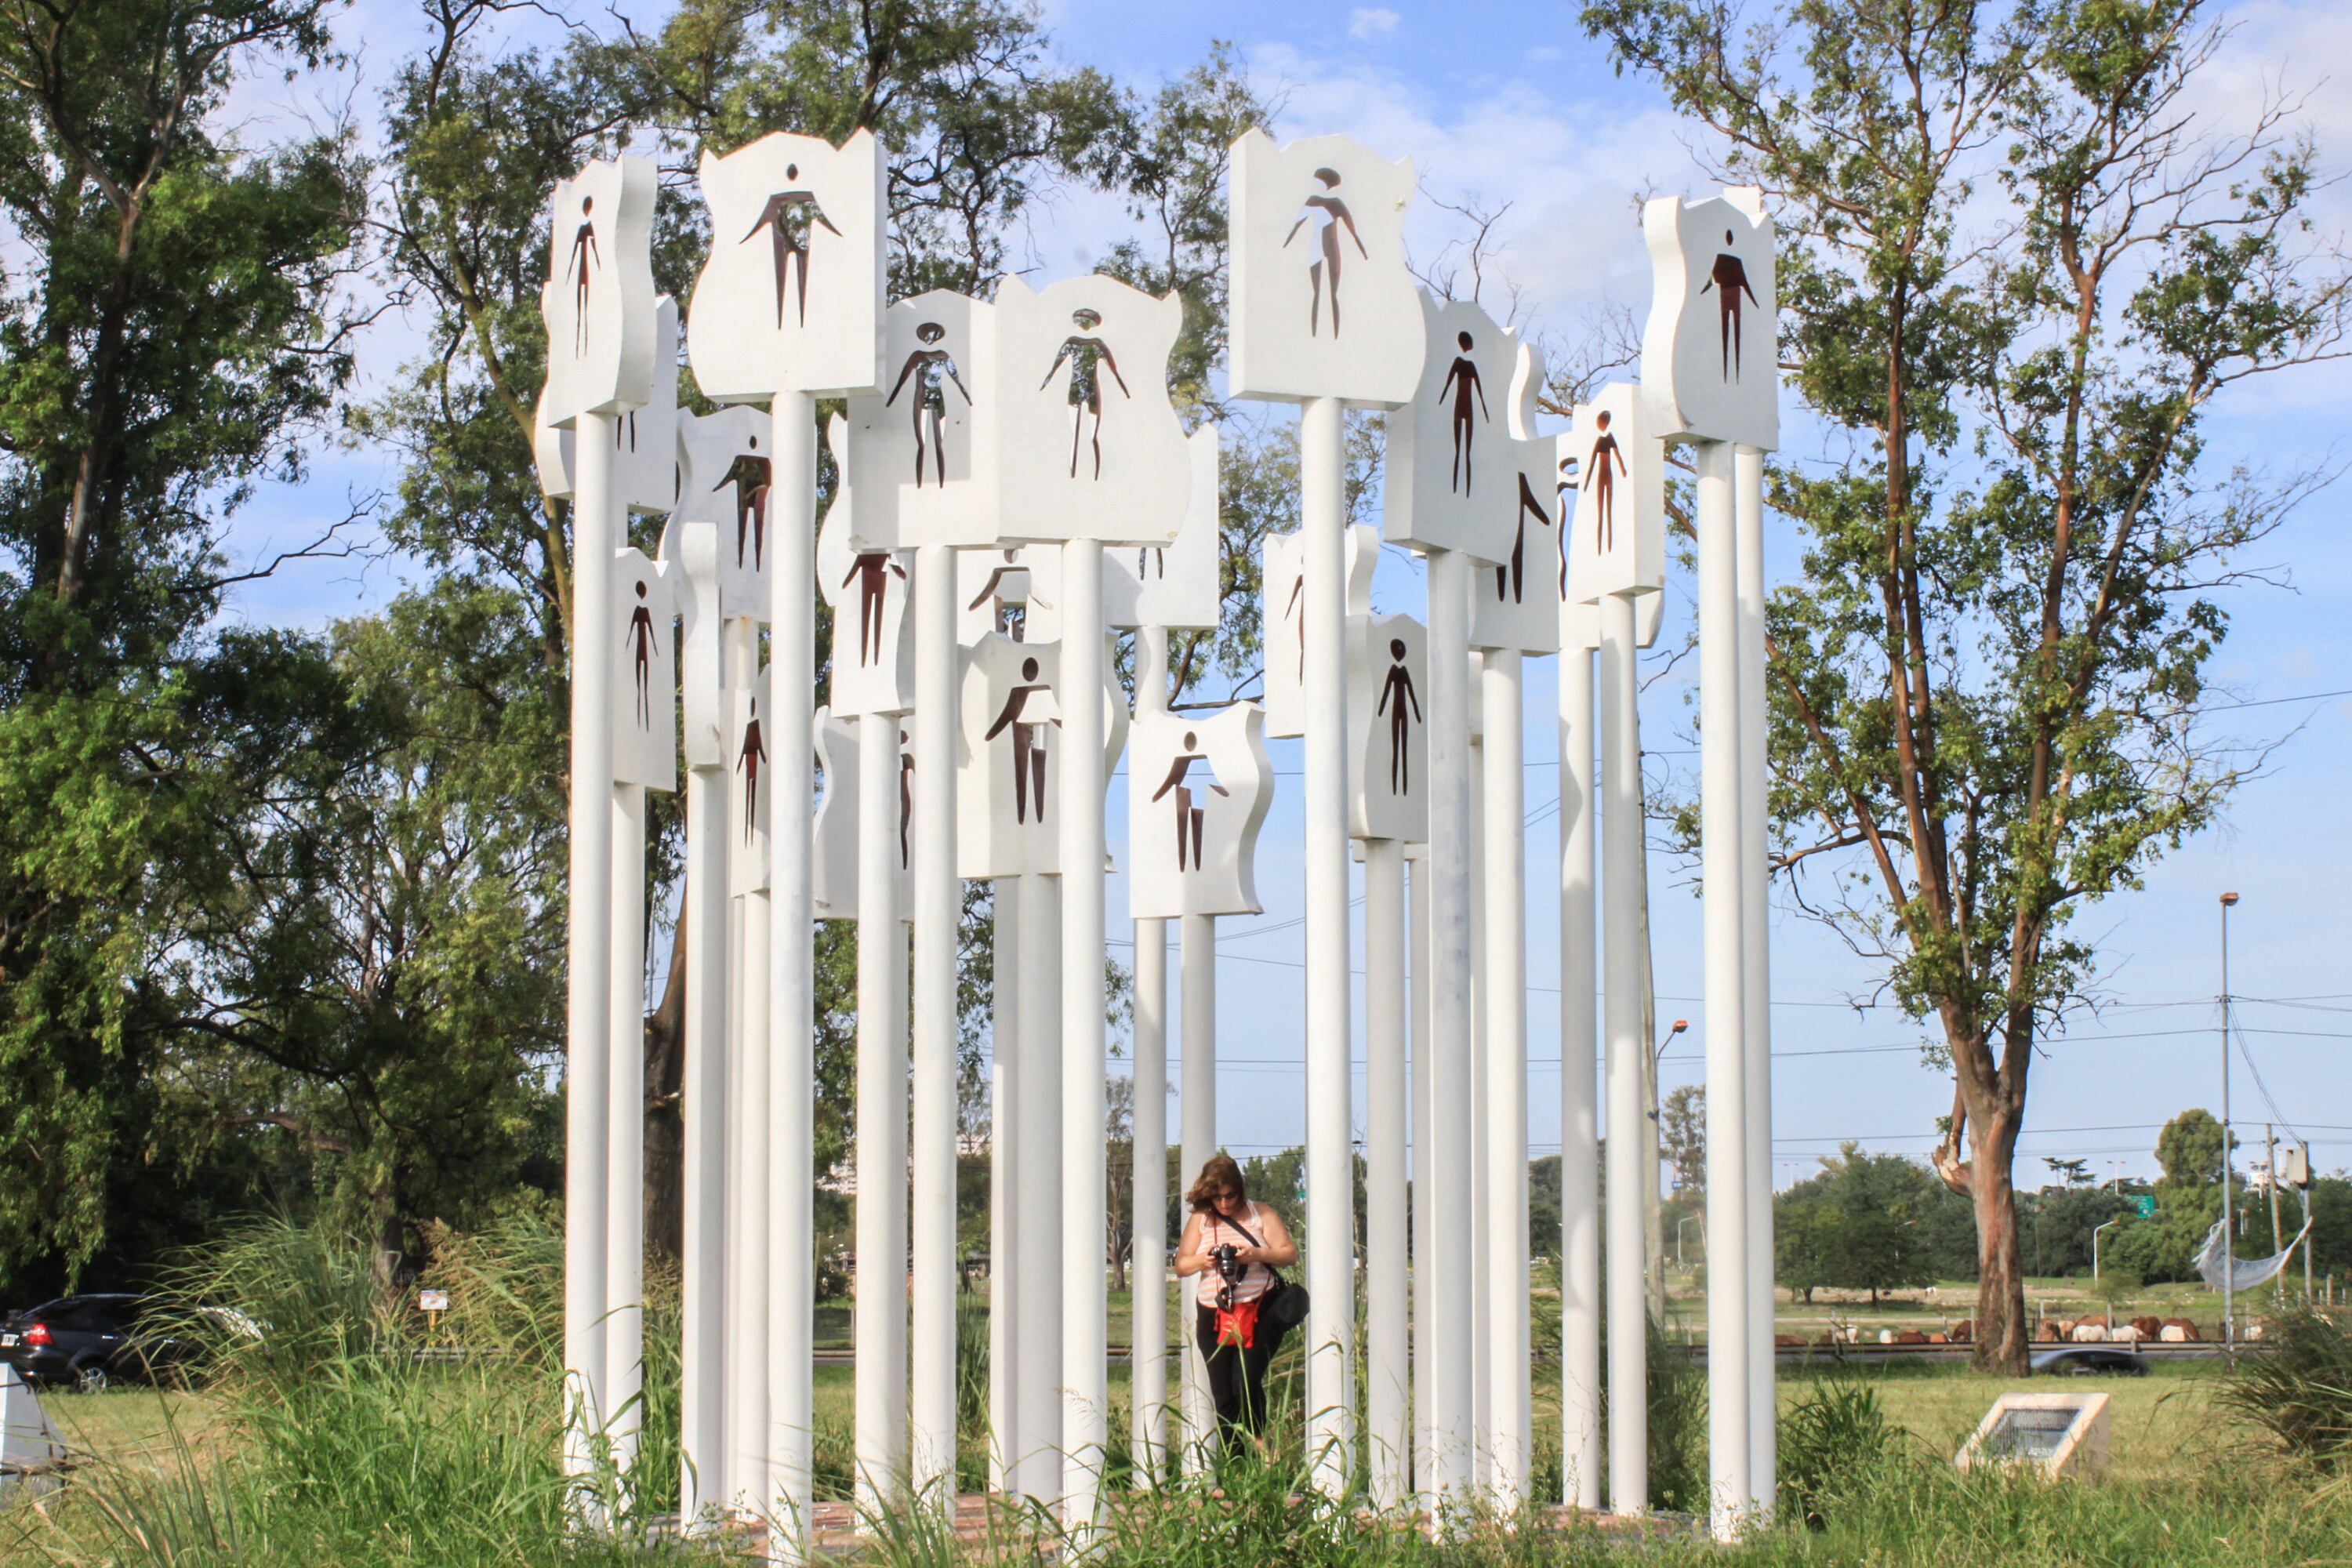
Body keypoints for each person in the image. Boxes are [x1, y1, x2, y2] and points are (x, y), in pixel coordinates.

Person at [1175, 1153, 1298, 1450]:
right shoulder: (1201, 1221)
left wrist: (1256, 1254)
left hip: (1258, 1310)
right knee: (1224, 1395)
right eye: (1217, 1198)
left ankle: (1262, 1451)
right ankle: (1237, 1463)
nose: (1225, 1203)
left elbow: (1288, 1254)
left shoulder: (1260, 1213)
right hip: (1214, 1313)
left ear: (1239, 1189)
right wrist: (1203, 1260)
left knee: (1245, 1382)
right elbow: (1181, 1265)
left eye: (1230, 1196)